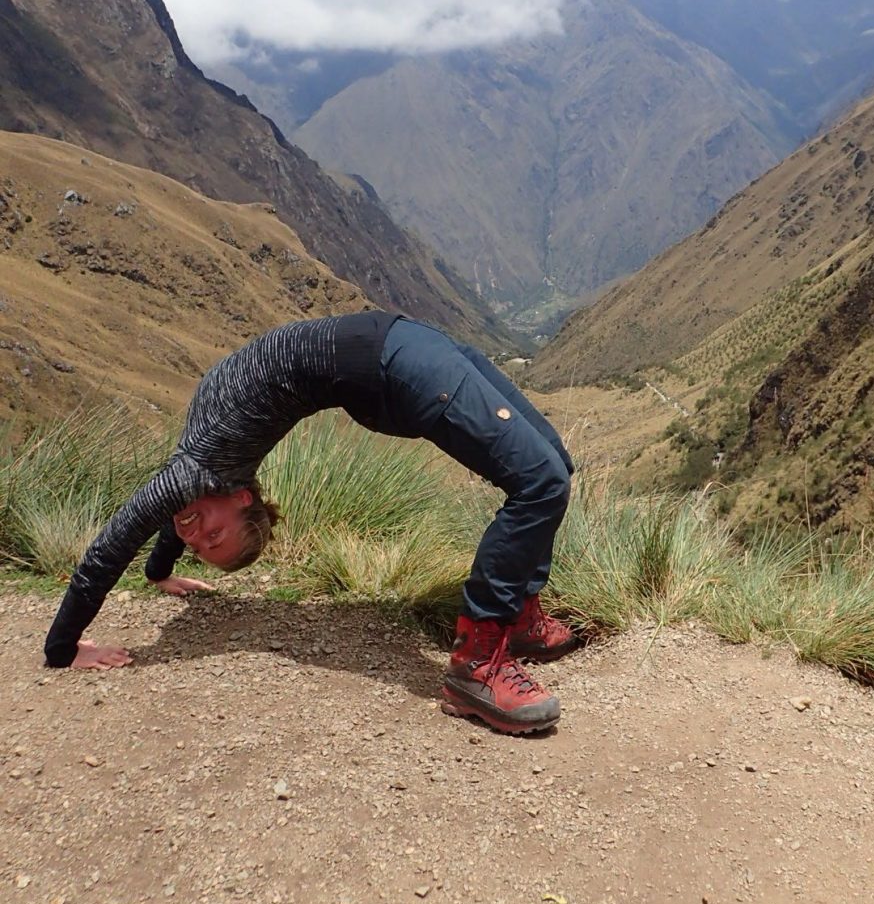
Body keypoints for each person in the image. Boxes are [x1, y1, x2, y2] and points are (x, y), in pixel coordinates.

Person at [43, 311, 578, 734]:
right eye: (207, 545)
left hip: (397, 351)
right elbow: (170, 516)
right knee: (543, 478)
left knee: (551, 466)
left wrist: (63, 649)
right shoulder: (202, 480)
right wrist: (162, 569)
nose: (194, 535)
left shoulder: (194, 473)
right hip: (394, 356)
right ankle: (480, 660)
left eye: (208, 536)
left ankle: (509, 630)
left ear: (242, 498)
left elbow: (113, 545)